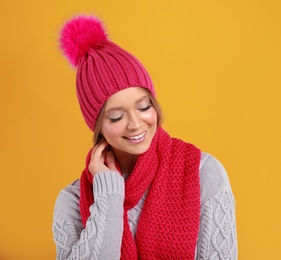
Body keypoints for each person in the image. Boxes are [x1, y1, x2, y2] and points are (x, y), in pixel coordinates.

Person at [52, 15, 237, 260]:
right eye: (116, 117)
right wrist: (109, 195)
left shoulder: (203, 173)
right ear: (97, 127)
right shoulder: (73, 200)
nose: (136, 124)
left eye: (143, 107)